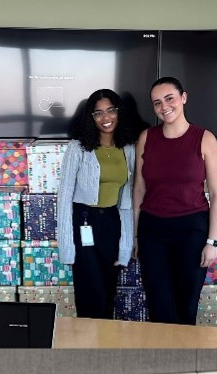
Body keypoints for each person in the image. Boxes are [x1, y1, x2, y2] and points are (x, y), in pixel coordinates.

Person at [132, 77, 217, 325]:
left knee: (186, 306)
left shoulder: (204, 138)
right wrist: (136, 236)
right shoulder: (146, 137)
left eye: (169, 98)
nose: (164, 107)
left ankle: (184, 360)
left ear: (183, 97)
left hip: (192, 231)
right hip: (153, 231)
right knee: (158, 304)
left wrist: (212, 242)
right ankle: (164, 361)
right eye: (157, 103)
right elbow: (139, 190)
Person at [56, 89, 140, 319]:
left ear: (119, 112)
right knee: (89, 287)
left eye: (111, 110)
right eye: (98, 113)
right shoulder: (78, 147)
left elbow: (129, 198)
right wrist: (65, 242)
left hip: (112, 223)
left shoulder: (128, 148)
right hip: (84, 220)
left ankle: (103, 342)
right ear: (90, 118)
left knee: (108, 285)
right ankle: (87, 343)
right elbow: (64, 196)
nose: (106, 118)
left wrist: (130, 236)